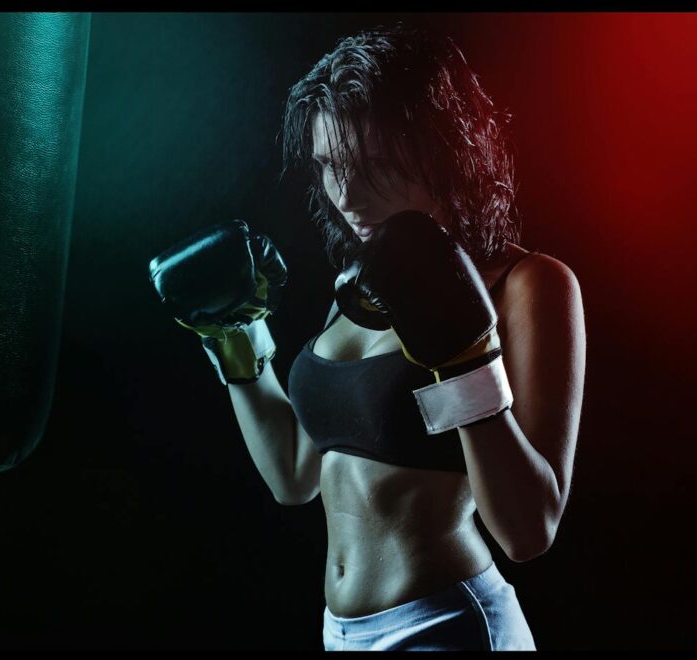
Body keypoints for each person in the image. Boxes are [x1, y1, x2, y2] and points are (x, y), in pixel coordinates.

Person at [148, 23, 585, 651]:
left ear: (442, 152)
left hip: (448, 626)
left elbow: (529, 530)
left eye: (375, 165)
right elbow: (295, 475)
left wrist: (468, 363)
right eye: (331, 166)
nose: (347, 195)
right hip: (340, 633)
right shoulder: (357, 284)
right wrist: (235, 336)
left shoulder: (527, 284)